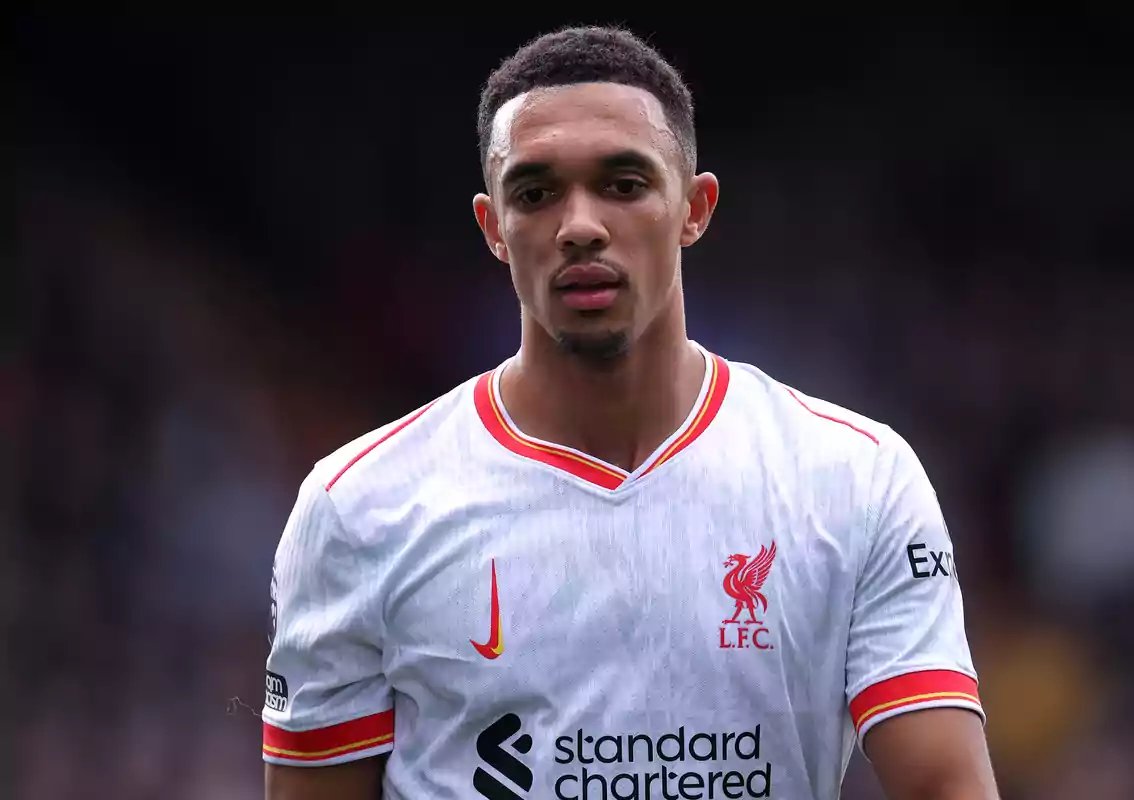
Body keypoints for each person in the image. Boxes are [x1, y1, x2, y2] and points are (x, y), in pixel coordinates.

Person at [262, 25, 1001, 800]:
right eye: (536, 192)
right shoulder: (356, 507)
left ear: (694, 207)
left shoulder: (856, 480)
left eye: (623, 183)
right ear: (493, 229)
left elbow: (946, 786)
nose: (580, 225)